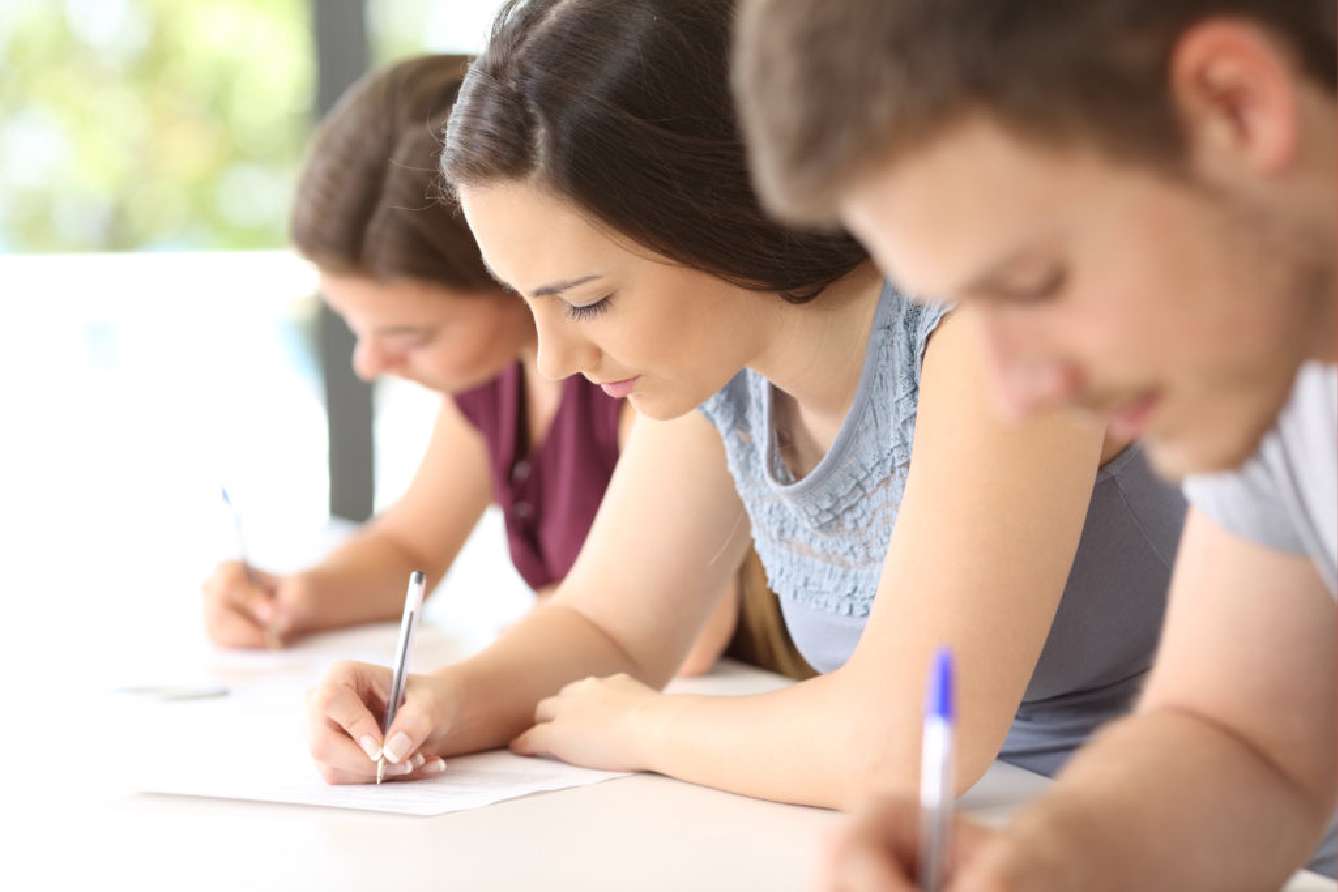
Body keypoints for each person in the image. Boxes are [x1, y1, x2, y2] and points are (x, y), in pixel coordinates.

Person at [302, 0, 1185, 807]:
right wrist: (432, 704)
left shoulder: (984, 324)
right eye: (528, 303)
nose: (556, 362)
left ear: (715, 212)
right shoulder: (721, 366)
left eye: (587, 301)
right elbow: (607, 627)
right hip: (985, 839)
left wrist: (642, 728)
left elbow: (905, 744)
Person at [732, 0, 1336, 886]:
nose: (1017, 391)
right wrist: (1044, 864)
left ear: (1235, 107)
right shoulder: (1271, 355)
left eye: (1032, 283)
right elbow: (1244, 741)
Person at [201, 54, 749, 677]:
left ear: (511, 273)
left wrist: (556, 634)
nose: (368, 362)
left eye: (412, 335)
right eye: (356, 327)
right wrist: (295, 597)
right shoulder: (494, 379)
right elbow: (410, 546)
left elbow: (688, 636)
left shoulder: (640, 376)